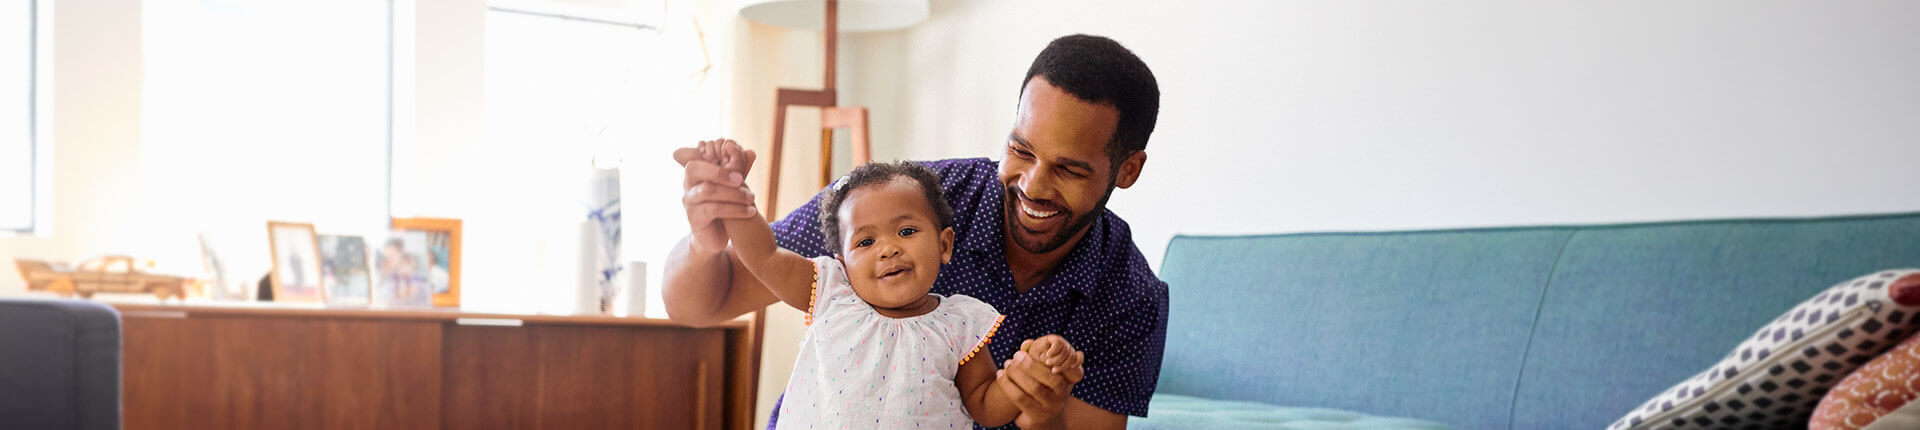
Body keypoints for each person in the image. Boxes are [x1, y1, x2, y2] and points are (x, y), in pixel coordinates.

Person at [666, 34, 1167, 429]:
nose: (1032, 185)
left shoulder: (1131, 296)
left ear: (1127, 170)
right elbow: (699, 303)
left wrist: (1042, 411)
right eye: (1021, 150)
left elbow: (994, 404)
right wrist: (706, 242)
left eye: (1070, 170)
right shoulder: (903, 204)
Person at [696, 140, 1083, 427]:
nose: (888, 250)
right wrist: (737, 202)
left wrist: (1021, 379)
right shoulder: (831, 293)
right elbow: (763, 256)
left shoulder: (960, 322)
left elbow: (984, 405)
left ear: (945, 244)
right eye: (866, 242)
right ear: (843, 262)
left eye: (907, 230)